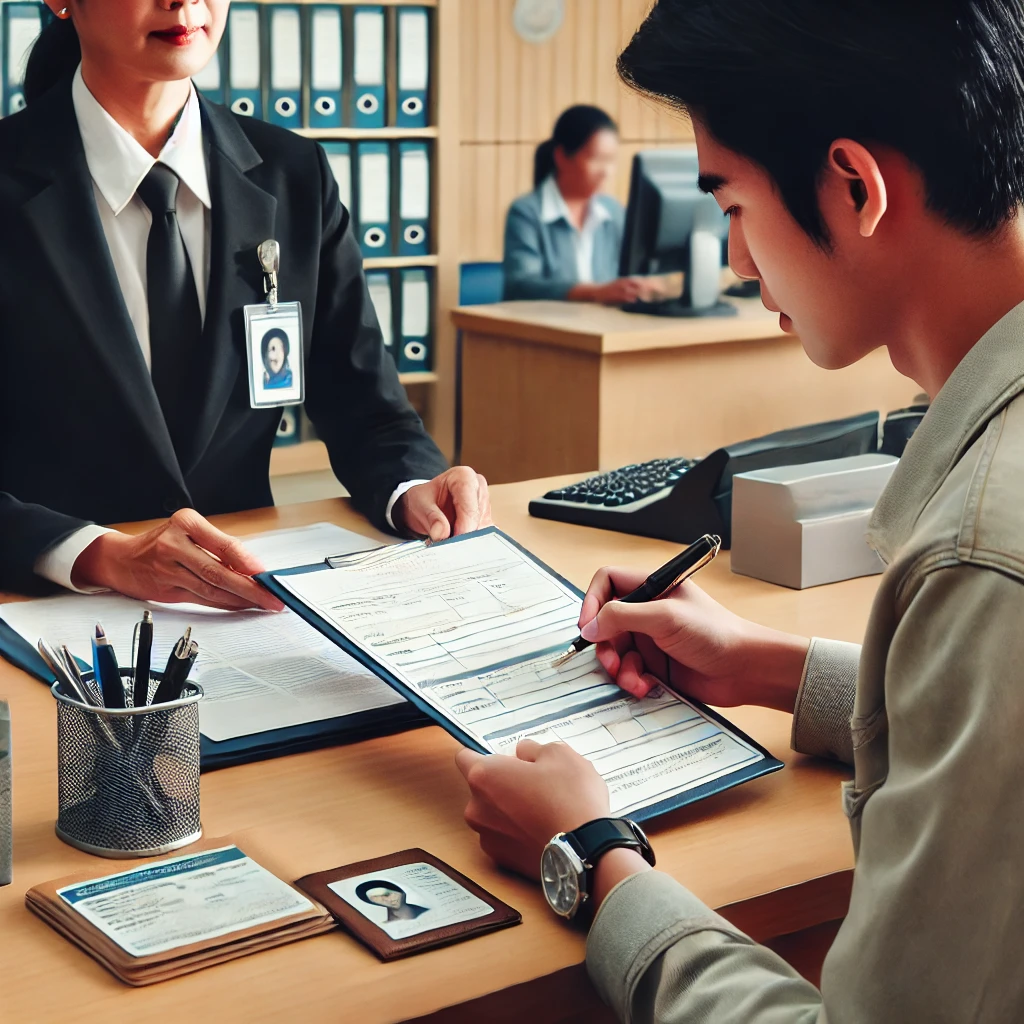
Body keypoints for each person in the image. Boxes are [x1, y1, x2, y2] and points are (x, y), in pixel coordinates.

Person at [457, 1, 1024, 1020]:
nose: (735, 262)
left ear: (853, 187)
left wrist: (591, 857)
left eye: (730, 206)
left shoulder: (983, 559)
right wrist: (771, 668)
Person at [0, 0, 490, 606]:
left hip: (249, 607)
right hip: (48, 611)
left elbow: (368, 406)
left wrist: (411, 487)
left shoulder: (293, 174)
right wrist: (99, 554)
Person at [502, 105, 653, 305]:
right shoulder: (526, 212)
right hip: (547, 330)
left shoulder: (613, 211)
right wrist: (595, 292)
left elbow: (633, 270)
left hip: (604, 329)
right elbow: (522, 285)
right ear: (562, 157)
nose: (606, 172)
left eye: (611, 160)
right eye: (597, 159)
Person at [354, 880, 428, 923]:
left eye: (387, 894)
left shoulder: (429, 914)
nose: (386, 899)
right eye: (376, 898)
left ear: (402, 892)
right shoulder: (384, 926)